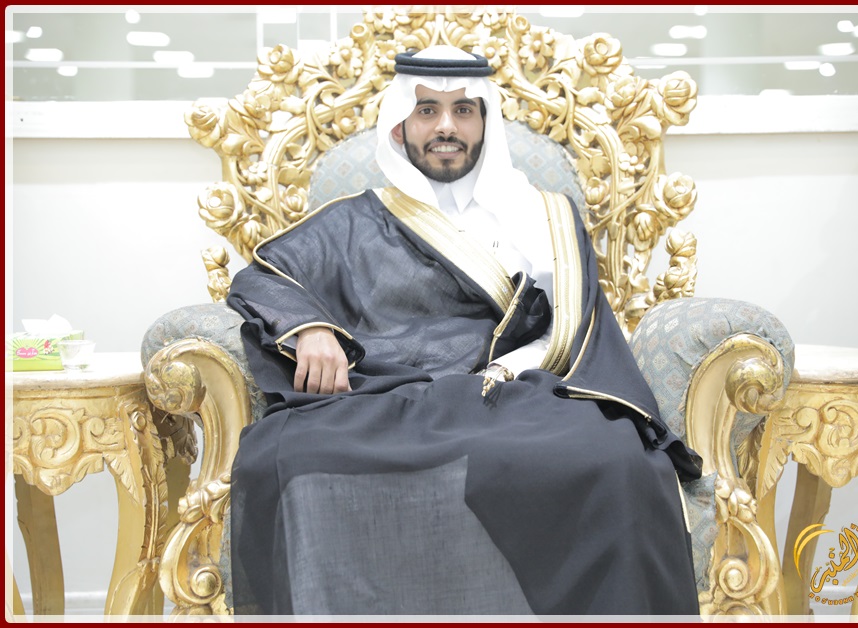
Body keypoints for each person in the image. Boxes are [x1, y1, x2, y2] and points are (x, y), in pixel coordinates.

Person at [226, 45, 703, 617]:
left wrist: (507, 369)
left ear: (485, 122)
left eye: (463, 110)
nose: (446, 126)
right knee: (286, 454)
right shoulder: (355, 218)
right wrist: (311, 329)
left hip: (516, 391)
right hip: (389, 393)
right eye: (427, 109)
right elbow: (265, 278)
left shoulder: (542, 215)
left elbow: (576, 324)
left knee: (616, 461)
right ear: (400, 125)